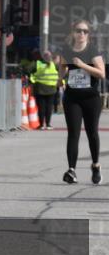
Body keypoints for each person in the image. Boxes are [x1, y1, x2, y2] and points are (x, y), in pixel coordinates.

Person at [60, 20, 105, 185]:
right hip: (72, 97)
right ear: (73, 32)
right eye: (79, 31)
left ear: (88, 34)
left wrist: (83, 65)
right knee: (73, 133)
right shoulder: (66, 49)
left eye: (85, 31)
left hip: (91, 98)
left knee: (92, 132)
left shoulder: (92, 50)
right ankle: (71, 170)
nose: (81, 34)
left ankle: (95, 165)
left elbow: (101, 73)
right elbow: (63, 66)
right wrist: (60, 78)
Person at [29, 50, 59, 130]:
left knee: (42, 107)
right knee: (47, 107)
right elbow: (60, 73)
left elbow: (29, 71)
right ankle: (47, 124)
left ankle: (42, 124)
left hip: (41, 89)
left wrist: (32, 80)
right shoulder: (54, 64)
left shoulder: (37, 64)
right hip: (50, 89)